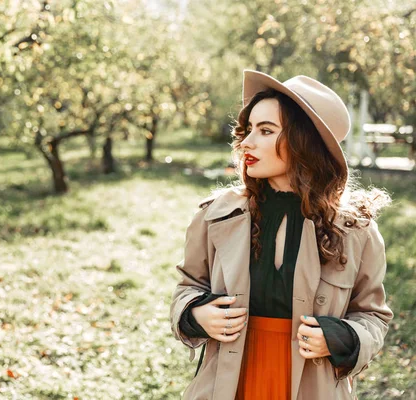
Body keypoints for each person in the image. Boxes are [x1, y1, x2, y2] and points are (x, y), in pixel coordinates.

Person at [169, 69, 394, 400]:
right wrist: (195, 313)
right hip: (228, 382)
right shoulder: (215, 216)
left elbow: (373, 315)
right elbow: (187, 287)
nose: (247, 142)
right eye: (248, 130)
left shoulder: (355, 231)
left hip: (311, 386)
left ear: (304, 142)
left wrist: (343, 337)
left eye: (266, 130)